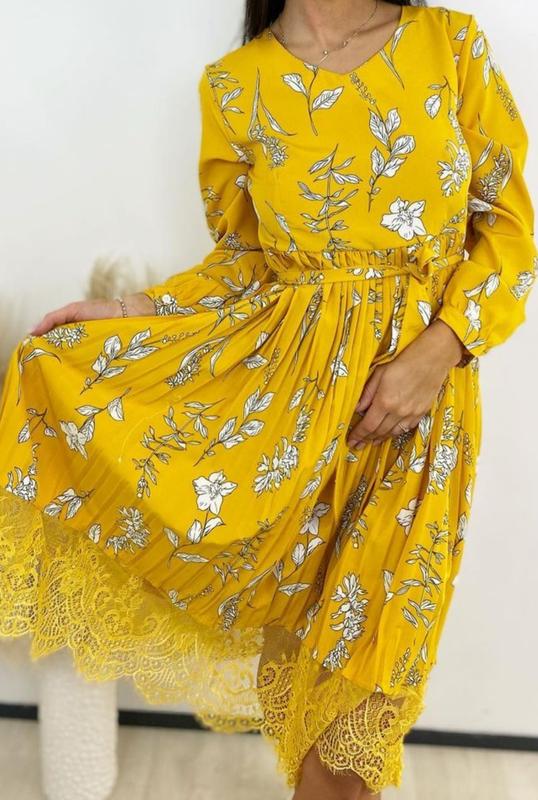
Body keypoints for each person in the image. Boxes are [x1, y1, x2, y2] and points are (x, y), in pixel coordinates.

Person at [0, 1, 536, 798]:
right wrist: (129, 310)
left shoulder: (449, 44)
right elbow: (244, 264)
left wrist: (440, 350)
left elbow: (510, 229)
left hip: (415, 422)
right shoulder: (236, 84)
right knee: (318, 726)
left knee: (358, 720)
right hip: (287, 419)